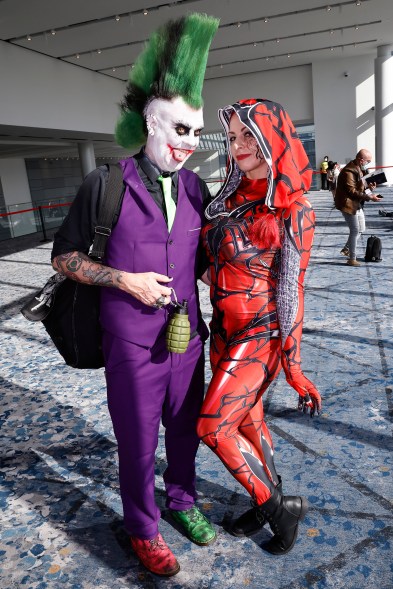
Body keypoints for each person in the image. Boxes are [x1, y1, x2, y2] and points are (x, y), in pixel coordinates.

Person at [51, 13, 219, 577]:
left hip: (187, 341)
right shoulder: (106, 184)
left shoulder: (196, 187)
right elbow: (64, 258)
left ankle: (182, 501)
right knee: (138, 443)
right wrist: (125, 280)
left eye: (196, 133)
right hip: (129, 346)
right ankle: (143, 528)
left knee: (185, 434)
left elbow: (207, 258)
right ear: (151, 124)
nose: (189, 145)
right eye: (180, 130)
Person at [197, 98, 321, 556]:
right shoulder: (226, 200)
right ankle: (272, 496)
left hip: (262, 335)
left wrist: (294, 366)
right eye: (231, 137)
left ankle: (276, 509)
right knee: (248, 420)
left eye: (248, 134)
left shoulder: (296, 210)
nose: (239, 145)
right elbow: (212, 261)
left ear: (273, 136)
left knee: (212, 427)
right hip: (223, 330)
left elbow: (291, 291)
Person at [334, 149, 382, 266]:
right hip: (348, 205)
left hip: (357, 203)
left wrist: (370, 188)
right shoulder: (348, 172)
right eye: (368, 161)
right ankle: (352, 258)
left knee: (362, 228)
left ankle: (347, 248)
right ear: (361, 160)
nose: (368, 163)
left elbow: (360, 188)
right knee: (355, 230)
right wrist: (370, 197)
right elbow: (352, 192)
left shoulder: (360, 169)